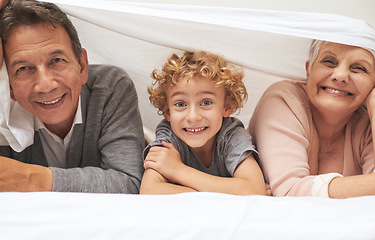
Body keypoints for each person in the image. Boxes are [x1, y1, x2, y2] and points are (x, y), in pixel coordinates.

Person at [0, 0, 144, 193]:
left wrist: (30, 178)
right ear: (8, 85)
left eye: (57, 60)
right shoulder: (4, 113)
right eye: (24, 68)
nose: (45, 85)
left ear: (82, 65)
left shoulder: (109, 87)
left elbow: (129, 183)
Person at [248, 39, 375, 198]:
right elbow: (289, 193)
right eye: (329, 62)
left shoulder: (368, 121)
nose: (340, 75)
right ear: (308, 70)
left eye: (358, 68)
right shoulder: (284, 99)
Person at [140, 51, 266, 195]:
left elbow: (254, 190)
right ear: (167, 111)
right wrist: (232, 191)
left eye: (206, 102)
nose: (193, 117)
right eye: (180, 104)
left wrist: (178, 170)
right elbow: (149, 191)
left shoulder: (231, 134)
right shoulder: (169, 136)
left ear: (227, 106)